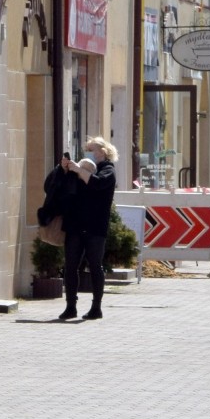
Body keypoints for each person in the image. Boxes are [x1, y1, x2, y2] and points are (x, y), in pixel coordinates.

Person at [58, 136, 118, 321]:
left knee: (95, 266)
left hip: (95, 226)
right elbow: (60, 186)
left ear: (104, 151)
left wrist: (78, 169)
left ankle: (96, 307)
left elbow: (97, 183)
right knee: (70, 266)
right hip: (75, 224)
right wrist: (65, 168)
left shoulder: (108, 170)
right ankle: (70, 306)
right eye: (89, 149)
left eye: (94, 149)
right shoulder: (81, 169)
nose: (91, 153)